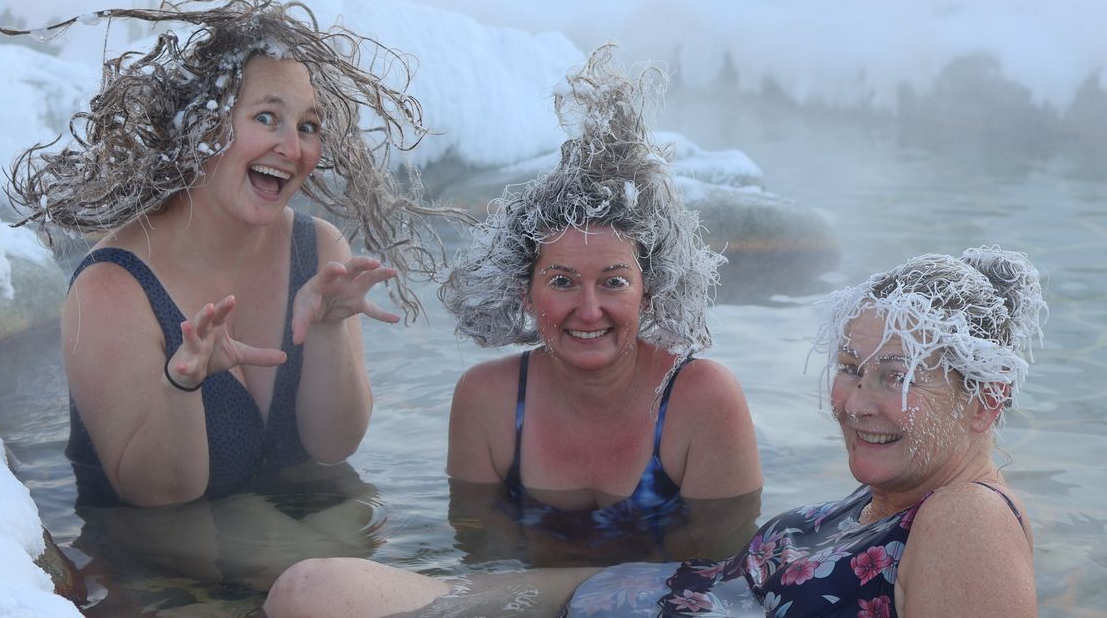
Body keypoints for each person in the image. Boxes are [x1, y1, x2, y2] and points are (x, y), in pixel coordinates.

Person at [264, 245, 1044, 617]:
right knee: (311, 589)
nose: (858, 401)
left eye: (898, 375)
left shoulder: (967, 517)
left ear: (985, 400)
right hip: (592, 599)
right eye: (850, 366)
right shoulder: (890, 500)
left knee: (310, 596)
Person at [2, 0, 464, 585]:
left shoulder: (319, 250)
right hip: (168, 571)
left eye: (308, 126)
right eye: (266, 117)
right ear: (204, 125)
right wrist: (182, 385)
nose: (292, 147)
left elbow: (333, 445)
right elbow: (156, 497)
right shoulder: (112, 285)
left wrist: (326, 331)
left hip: (311, 537)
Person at [436, 45, 762, 567]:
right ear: (526, 293)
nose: (589, 311)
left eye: (613, 282)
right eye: (562, 281)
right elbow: (480, 550)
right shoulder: (487, 400)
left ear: (648, 292)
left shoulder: (702, 400)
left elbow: (727, 562)